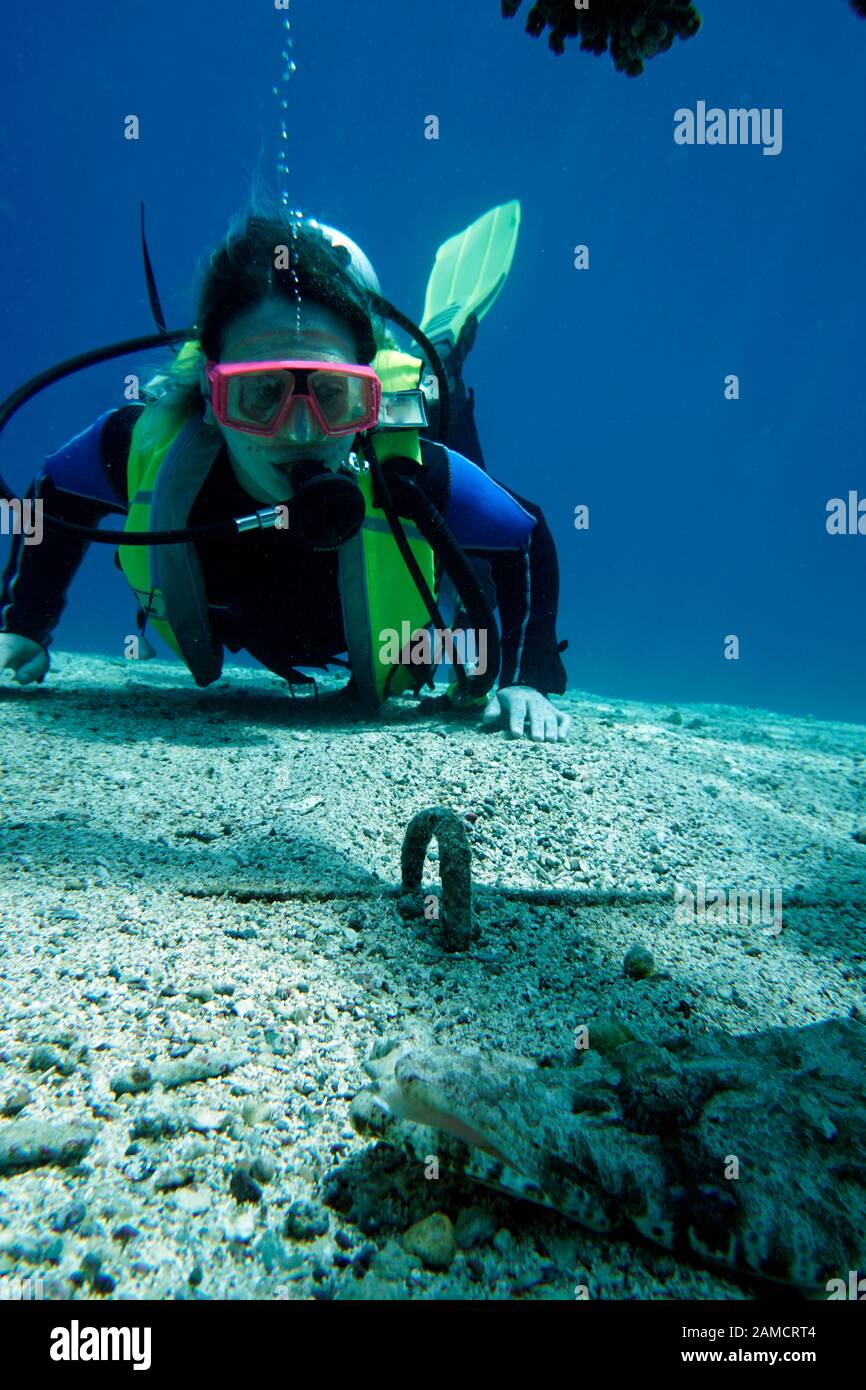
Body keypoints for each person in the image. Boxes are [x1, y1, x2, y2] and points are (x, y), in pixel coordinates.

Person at [0, 205, 570, 742]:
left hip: (401, 446)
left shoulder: (408, 477)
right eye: (261, 394)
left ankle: (439, 354)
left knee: (450, 489)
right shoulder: (139, 448)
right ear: (209, 388)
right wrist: (26, 622)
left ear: (364, 395)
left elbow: (524, 535)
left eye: (333, 394)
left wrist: (527, 676)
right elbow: (54, 494)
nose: (300, 433)